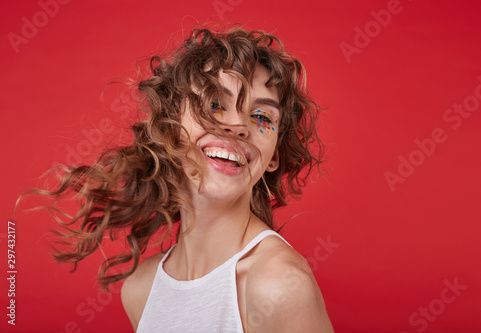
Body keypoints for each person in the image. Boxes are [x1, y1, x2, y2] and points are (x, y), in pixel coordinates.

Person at [25, 26, 334, 332]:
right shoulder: (140, 291)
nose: (239, 125)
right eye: (215, 104)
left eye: (262, 117)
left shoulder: (279, 286)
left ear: (274, 155)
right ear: (170, 128)